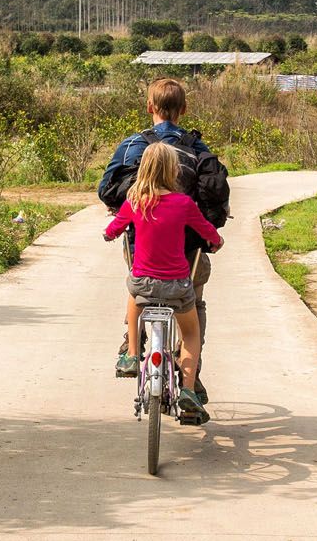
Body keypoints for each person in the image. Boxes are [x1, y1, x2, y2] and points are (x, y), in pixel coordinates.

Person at [96, 78, 231, 384]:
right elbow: (214, 194)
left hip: (140, 242)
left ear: (149, 107)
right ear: (183, 109)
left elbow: (106, 189)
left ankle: (131, 346)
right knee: (194, 304)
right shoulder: (197, 147)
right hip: (191, 247)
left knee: (138, 284)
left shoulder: (133, 145)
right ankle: (189, 376)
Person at [104, 141, 221, 422]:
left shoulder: (135, 200)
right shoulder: (184, 204)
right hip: (177, 286)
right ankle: (188, 390)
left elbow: (112, 230)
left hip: (144, 284)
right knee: (191, 333)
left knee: (134, 289)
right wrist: (216, 242)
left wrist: (109, 234)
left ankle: (132, 354)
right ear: (174, 171)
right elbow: (207, 232)